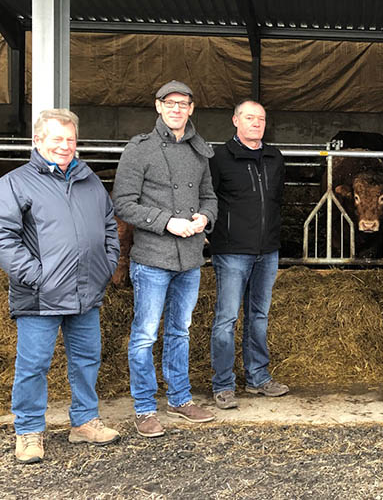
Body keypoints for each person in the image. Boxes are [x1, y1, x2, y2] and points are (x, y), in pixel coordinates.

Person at [0, 109, 120, 463]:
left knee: (86, 359)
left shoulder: (90, 181)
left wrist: (106, 265)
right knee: (34, 364)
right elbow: (5, 238)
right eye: (57, 139)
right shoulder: (16, 182)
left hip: (86, 291)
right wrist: (36, 275)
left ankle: (84, 422)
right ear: (38, 141)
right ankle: (29, 431)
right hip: (40, 294)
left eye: (70, 140)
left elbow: (110, 227)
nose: (65, 146)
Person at [113, 80, 218, 437]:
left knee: (180, 331)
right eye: (170, 103)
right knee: (144, 334)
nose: (177, 109)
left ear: (191, 109)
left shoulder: (198, 151)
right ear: (158, 106)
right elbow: (122, 202)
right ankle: (144, 408)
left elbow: (209, 196)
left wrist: (205, 217)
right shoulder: (139, 149)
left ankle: (179, 397)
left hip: (190, 259)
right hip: (153, 256)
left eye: (183, 104)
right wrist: (165, 222)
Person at [207, 100, 288, 409]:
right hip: (231, 251)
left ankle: (258, 377)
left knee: (259, 316)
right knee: (226, 318)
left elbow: (278, 199)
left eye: (261, 119)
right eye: (250, 117)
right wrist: (215, 235)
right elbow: (209, 199)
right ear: (235, 121)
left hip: (267, 250)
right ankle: (224, 384)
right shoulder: (220, 158)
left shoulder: (274, 157)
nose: (256, 123)